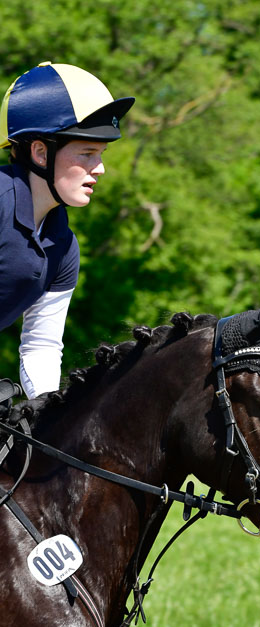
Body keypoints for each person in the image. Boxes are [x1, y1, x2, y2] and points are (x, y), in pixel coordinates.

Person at [0, 61, 134, 400]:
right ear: (41, 153)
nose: (100, 168)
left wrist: (47, 411)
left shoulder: (63, 246)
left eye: (101, 154)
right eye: (88, 153)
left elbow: (41, 345)